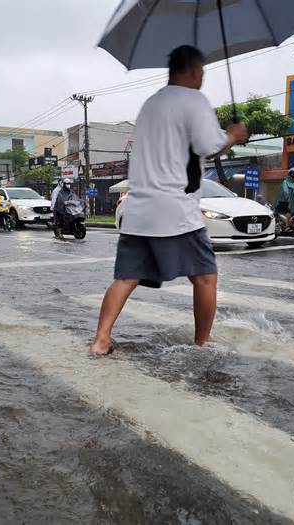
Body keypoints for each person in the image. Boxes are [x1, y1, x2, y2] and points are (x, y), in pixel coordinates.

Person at [88, 45, 247, 356]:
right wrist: (233, 135)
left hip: (138, 210)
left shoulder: (150, 104)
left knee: (126, 278)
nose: (202, 78)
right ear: (191, 71)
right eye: (201, 72)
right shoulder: (193, 100)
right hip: (175, 209)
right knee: (205, 277)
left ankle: (101, 340)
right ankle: (202, 342)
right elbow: (208, 145)